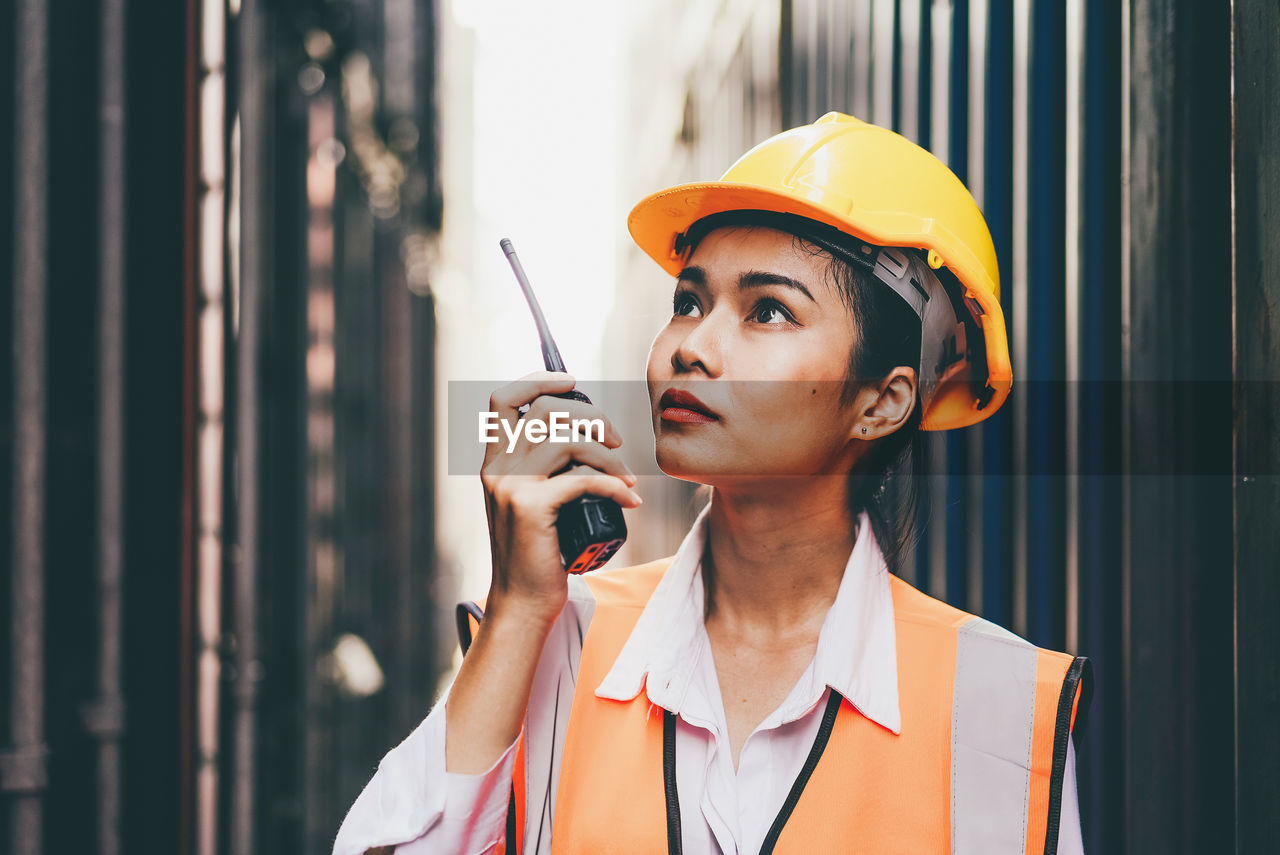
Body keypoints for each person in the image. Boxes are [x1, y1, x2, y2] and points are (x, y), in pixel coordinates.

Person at [333, 112, 1090, 855]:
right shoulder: (555, 641)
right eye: (688, 302)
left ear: (882, 401)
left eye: (768, 311)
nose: (693, 345)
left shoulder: (999, 703)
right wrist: (517, 610)